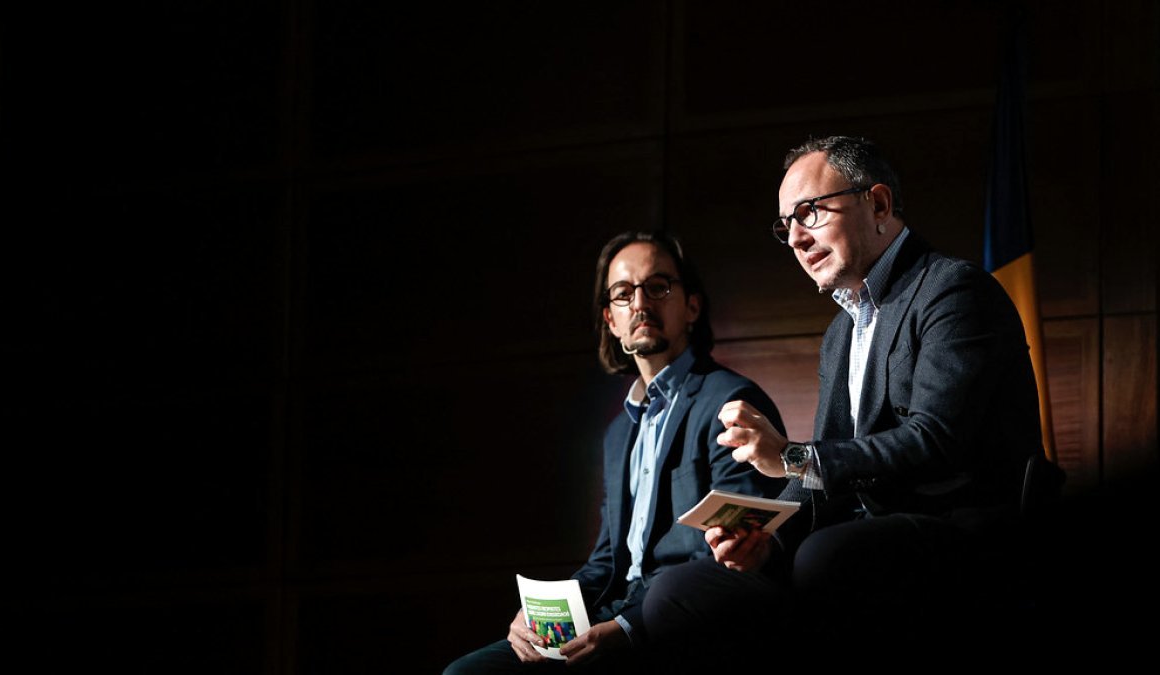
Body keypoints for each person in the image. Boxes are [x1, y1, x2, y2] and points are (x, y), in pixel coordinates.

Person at [641, 136, 1056, 663]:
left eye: (809, 214)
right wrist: (763, 535)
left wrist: (792, 457)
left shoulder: (953, 291)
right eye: (785, 224)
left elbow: (937, 440)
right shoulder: (842, 332)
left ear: (878, 205)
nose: (794, 237)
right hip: (854, 546)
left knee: (828, 557)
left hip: (962, 536)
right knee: (677, 593)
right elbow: (829, 477)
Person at [443, 231, 788, 674]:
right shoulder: (619, 431)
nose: (640, 303)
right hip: (611, 613)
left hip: (676, 618)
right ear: (611, 319)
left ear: (692, 308)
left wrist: (628, 627)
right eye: (624, 294)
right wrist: (540, 618)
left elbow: (736, 553)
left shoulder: (732, 401)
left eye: (658, 287)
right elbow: (607, 561)